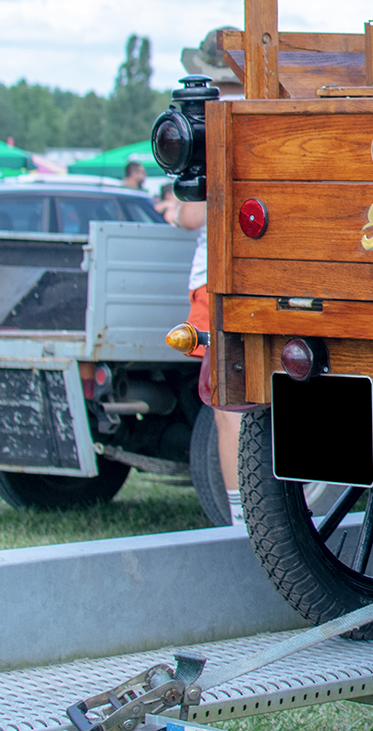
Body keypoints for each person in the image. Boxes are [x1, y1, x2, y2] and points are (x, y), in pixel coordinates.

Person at [157, 188, 242, 523]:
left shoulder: (212, 139)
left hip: (219, 278)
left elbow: (193, 216)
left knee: (230, 409)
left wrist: (172, 211)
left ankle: (242, 518)